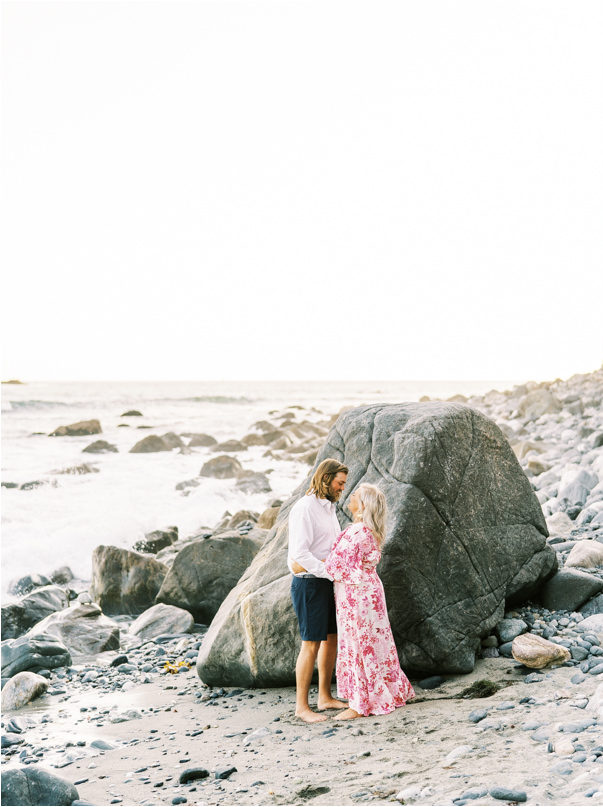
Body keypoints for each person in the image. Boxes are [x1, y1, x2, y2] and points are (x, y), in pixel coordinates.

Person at [325, 482, 415, 719]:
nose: (350, 496)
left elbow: (335, 565)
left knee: (359, 642)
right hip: (367, 591)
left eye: (355, 495)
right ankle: (385, 691)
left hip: (357, 594)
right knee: (376, 641)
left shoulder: (357, 532)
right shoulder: (367, 531)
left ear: (362, 505)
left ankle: (360, 703)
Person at [288, 458, 349, 723]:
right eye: (339, 483)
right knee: (310, 644)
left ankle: (324, 697)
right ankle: (302, 707)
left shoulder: (329, 508)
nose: (342, 489)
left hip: (326, 581)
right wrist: (331, 570)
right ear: (325, 479)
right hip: (309, 583)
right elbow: (299, 553)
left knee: (331, 638)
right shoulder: (305, 508)